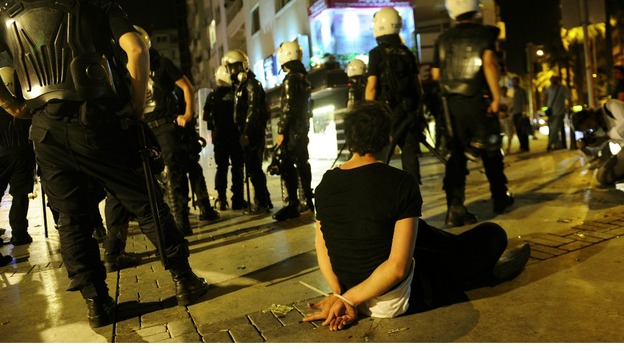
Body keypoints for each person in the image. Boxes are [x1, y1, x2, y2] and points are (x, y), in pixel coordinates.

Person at [0, 1, 208, 328]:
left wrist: (11, 105)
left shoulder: (9, 11)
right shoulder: (97, 3)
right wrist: (137, 107)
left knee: (71, 219)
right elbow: (136, 49)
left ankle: (96, 303)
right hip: (96, 120)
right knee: (144, 200)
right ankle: (184, 279)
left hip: (45, 131)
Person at [303, 101, 530, 330]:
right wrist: (346, 300)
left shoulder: (326, 183)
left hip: (351, 287)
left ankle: (458, 248)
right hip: (393, 298)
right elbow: (397, 268)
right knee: (491, 234)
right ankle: (482, 268)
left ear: (349, 140)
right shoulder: (401, 182)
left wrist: (338, 292)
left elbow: (322, 249)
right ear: (388, 137)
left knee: (420, 231)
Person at [431, 0, 514, 227]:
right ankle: (499, 198)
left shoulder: (443, 39)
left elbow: (436, 74)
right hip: (478, 102)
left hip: (451, 107)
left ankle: (455, 208)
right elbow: (488, 63)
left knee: (455, 157)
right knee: (491, 151)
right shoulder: (485, 34)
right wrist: (497, 97)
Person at [135, 26, 216, 236]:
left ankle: (181, 222)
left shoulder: (161, 63)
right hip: (144, 128)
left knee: (174, 173)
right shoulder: (130, 67)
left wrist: (188, 114)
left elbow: (187, 87)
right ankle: (173, 219)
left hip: (165, 125)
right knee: (154, 175)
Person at [365, 7, 425, 184]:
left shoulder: (376, 54)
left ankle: (380, 194)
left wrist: (369, 114)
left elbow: (372, 87)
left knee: (382, 156)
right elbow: (418, 85)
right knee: (410, 155)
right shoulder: (407, 53)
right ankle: (413, 198)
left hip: (387, 113)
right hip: (409, 112)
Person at [222, 49, 273, 214]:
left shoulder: (252, 84)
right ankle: (265, 201)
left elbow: (253, 110)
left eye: (232, 67)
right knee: (253, 168)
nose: (230, 72)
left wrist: (246, 132)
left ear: (241, 66)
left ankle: (262, 203)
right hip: (246, 131)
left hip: (253, 132)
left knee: (254, 169)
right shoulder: (242, 85)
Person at [272, 41, 314, 221]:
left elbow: (288, 107)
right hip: (302, 130)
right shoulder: (304, 78)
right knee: (303, 163)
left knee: (287, 164)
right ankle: (307, 200)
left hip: (292, 132)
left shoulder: (290, 79)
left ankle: (293, 203)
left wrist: (281, 131)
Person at [203, 65, 247, 211]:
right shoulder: (236, 93)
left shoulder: (212, 95)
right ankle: (238, 200)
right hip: (235, 136)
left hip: (220, 138)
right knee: (237, 167)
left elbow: (205, 116)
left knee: (221, 168)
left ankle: (221, 199)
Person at [0, 66, 35, 246]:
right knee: (20, 194)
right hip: (22, 151)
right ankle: (19, 232)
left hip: (2, 151)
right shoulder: (22, 103)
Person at [572, 99, 624, 186]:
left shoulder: (611, 106)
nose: (592, 128)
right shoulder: (600, 128)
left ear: (591, 115)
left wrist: (606, 137)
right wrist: (584, 148)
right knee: (602, 177)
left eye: (589, 124)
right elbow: (594, 154)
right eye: (588, 129)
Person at [543, 75, 571, 151]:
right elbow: (545, 98)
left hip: (559, 112)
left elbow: (568, 98)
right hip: (551, 112)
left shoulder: (562, 88)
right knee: (552, 129)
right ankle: (557, 144)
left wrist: (568, 109)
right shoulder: (548, 89)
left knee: (555, 128)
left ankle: (550, 143)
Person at [510, 77, 531, 151]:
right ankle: (522, 146)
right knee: (518, 131)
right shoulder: (511, 91)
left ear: (518, 82)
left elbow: (525, 102)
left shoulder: (522, 91)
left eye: (515, 82)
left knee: (523, 131)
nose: (513, 83)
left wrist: (524, 112)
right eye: (513, 82)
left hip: (520, 113)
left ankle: (525, 146)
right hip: (514, 113)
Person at [498, 86, 514, 154]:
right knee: (500, 134)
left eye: (504, 90)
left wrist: (507, 114)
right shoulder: (498, 99)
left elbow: (511, 109)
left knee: (509, 134)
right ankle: (501, 148)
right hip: (500, 119)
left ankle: (508, 148)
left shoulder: (510, 99)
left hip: (508, 118)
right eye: (502, 90)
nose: (503, 92)